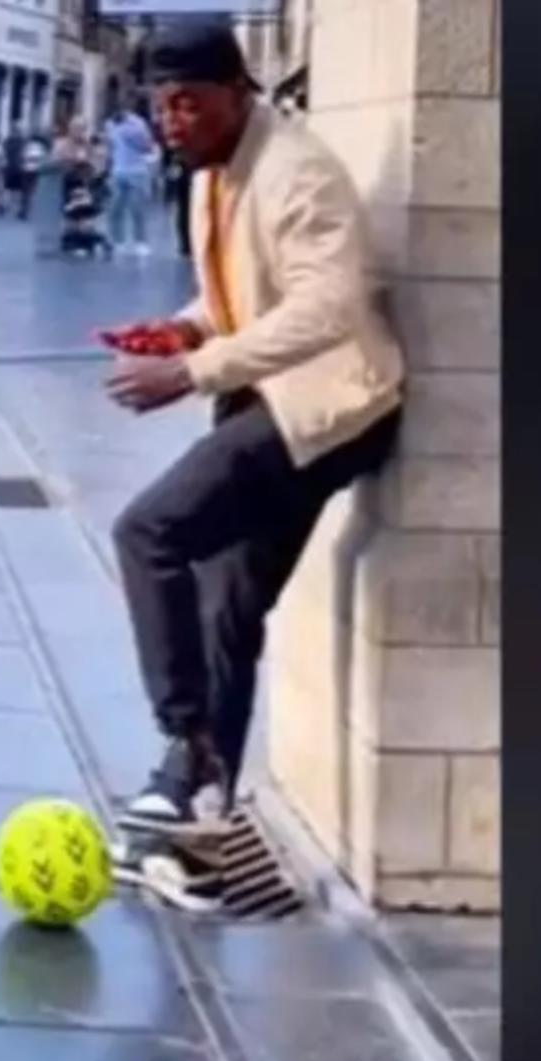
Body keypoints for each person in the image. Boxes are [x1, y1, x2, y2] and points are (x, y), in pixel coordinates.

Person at [100, 23, 405, 839]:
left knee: (149, 532)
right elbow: (239, 290)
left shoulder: (296, 171)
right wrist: (182, 330)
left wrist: (193, 371)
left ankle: (187, 747)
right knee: (225, 610)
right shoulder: (217, 167)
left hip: (331, 408)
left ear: (238, 91)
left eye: (188, 104)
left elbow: (327, 305)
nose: (172, 123)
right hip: (268, 400)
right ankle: (204, 817)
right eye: (162, 106)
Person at [104, 101, 157, 257]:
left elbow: (147, 146)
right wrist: (107, 167)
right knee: (115, 208)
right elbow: (111, 147)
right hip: (117, 171)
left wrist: (134, 137)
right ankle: (117, 241)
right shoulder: (109, 124)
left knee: (137, 208)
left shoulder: (137, 123)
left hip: (137, 171)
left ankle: (141, 242)